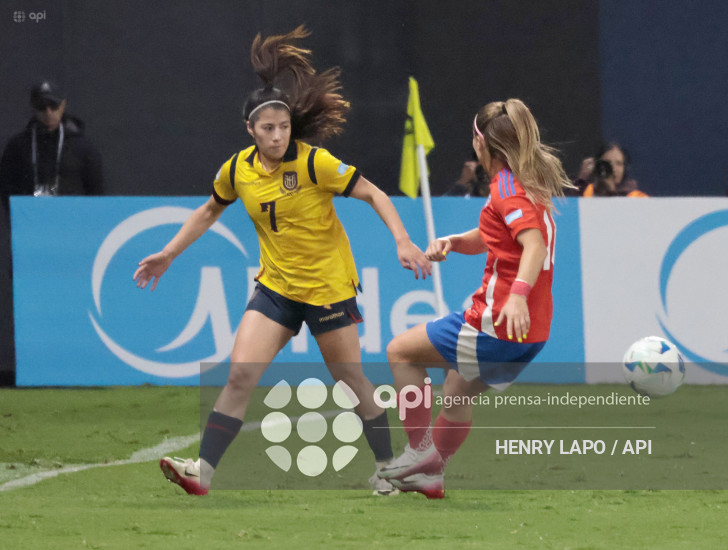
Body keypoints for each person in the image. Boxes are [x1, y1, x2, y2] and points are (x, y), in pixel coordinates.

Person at [133, 26, 431, 496]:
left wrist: (403, 241)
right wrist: (169, 253)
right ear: (250, 130)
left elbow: (373, 192)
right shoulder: (237, 170)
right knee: (240, 373)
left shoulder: (314, 163)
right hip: (277, 288)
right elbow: (211, 208)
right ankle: (202, 473)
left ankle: (389, 468)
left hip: (328, 287)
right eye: (267, 128)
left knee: (351, 379)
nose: (277, 136)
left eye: (284, 126)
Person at [376, 99, 575, 498]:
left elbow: (533, 246)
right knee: (455, 392)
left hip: (497, 321)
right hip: (531, 334)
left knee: (401, 352)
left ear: (484, 145)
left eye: (475, 137)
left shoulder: (507, 189)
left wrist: (517, 295)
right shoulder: (527, 185)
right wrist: (452, 241)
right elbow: (493, 236)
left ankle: (417, 457)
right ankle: (430, 475)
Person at [0, 80, 103, 206]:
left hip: (71, 219)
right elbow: (6, 187)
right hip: (30, 218)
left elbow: (97, 190)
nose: (48, 112)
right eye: (41, 107)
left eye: (53, 106)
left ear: (63, 106)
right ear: (33, 107)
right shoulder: (17, 146)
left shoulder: (81, 146)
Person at [572, 142, 647, 197]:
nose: (613, 169)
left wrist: (611, 191)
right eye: (607, 163)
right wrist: (581, 181)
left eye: (618, 163)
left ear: (625, 169)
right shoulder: (587, 191)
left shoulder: (637, 197)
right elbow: (567, 210)